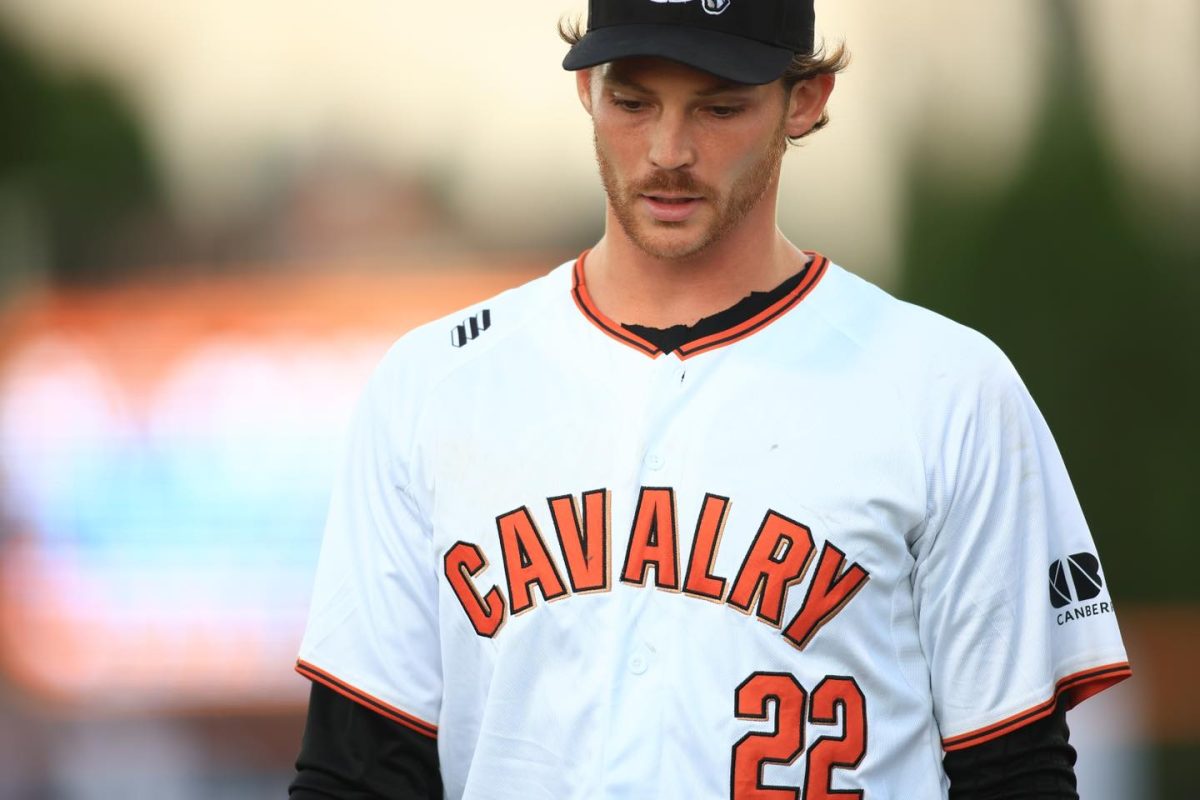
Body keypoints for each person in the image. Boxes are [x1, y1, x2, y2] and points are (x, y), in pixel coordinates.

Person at [289, 1, 1131, 797]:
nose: (667, 149)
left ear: (805, 101)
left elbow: (1015, 774)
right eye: (632, 100)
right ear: (585, 88)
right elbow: (359, 772)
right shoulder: (434, 383)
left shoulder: (948, 387)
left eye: (719, 108)